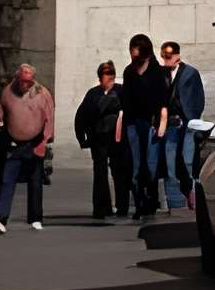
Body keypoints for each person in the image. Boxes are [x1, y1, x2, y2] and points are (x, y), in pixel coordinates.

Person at [0, 62, 54, 234]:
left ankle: (36, 217)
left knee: (35, 181)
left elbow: (49, 120)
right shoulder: (8, 92)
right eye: (23, 81)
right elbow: (2, 109)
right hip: (13, 142)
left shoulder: (43, 94)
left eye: (29, 82)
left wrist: (43, 143)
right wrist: (0, 120)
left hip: (35, 141)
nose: (25, 85)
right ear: (17, 77)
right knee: (7, 179)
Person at [120, 32, 171, 228]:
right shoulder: (129, 72)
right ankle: (139, 203)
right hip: (133, 122)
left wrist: (162, 123)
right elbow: (125, 100)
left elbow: (163, 101)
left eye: (136, 53)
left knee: (150, 165)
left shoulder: (157, 72)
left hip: (151, 122)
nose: (133, 57)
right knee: (135, 165)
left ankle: (151, 199)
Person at [73, 61, 126, 223]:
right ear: (100, 77)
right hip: (99, 139)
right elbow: (81, 116)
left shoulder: (121, 91)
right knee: (100, 174)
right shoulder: (93, 94)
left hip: (118, 139)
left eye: (112, 73)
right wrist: (82, 138)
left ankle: (122, 207)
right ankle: (102, 208)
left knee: (120, 173)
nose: (110, 77)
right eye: (106, 74)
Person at [160, 40, 205, 210]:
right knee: (171, 160)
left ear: (177, 56)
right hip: (171, 123)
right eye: (163, 56)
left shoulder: (191, 73)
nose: (166, 60)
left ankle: (190, 194)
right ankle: (176, 200)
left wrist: (193, 118)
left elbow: (198, 98)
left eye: (169, 56)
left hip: (186, 122)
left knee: (187, 160)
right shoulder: (162, 73)